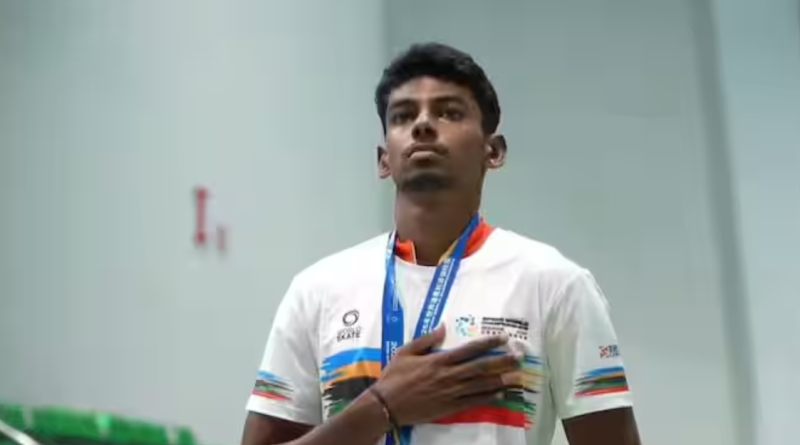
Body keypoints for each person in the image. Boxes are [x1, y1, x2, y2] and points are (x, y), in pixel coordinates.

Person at [240, 42, 641, 445]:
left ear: (493, 151)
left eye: (449, 112)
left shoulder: (555, 284)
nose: (422, 125)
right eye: (403, 116)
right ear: (384, 159)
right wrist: (381, 406)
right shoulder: (317, 291)